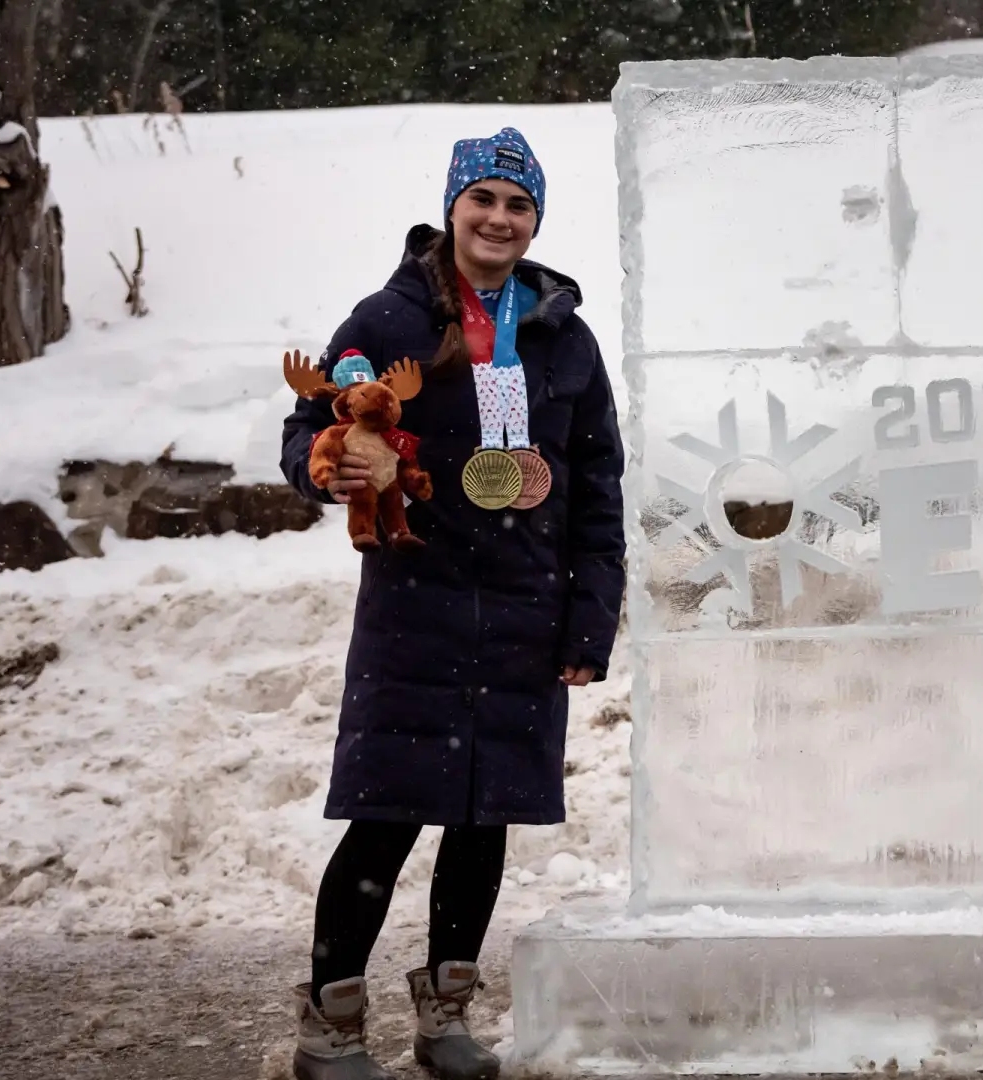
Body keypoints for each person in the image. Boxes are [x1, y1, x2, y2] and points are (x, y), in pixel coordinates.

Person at [278, 126, 624, 1080]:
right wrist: (336, 464)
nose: (500, 219)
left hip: (527, 604)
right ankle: (329, 1027)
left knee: (485, 819)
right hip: (416, 603)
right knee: (388, 814)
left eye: (520, 205)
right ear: (452, 208)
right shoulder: (387, 321)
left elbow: (598, 482)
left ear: (536, 220)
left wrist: (590, 618)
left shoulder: (563, 330)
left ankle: (446, 1018)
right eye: (485, 200)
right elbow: (308, 429)